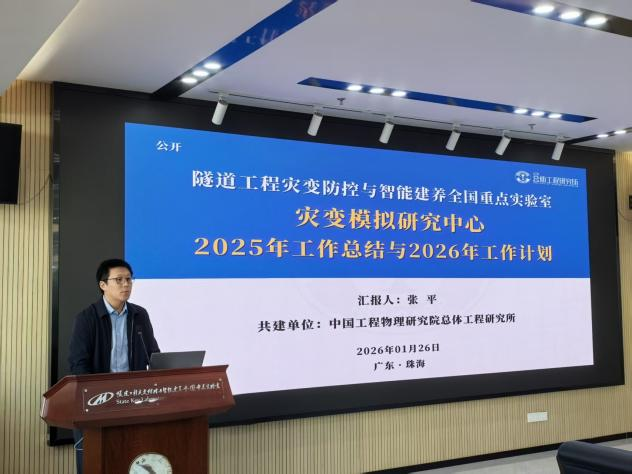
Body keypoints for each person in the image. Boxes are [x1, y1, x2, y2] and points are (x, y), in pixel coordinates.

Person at [68, 258, 160, 474]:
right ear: (103, 285)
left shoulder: (139, 315)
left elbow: (153, 354)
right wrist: (98, 396)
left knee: (131, 462)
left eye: (129, 279)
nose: (126, 284)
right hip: (98, 403)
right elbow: (78, 364)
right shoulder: (86, 318)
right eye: (119, 280)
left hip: (133, 401)